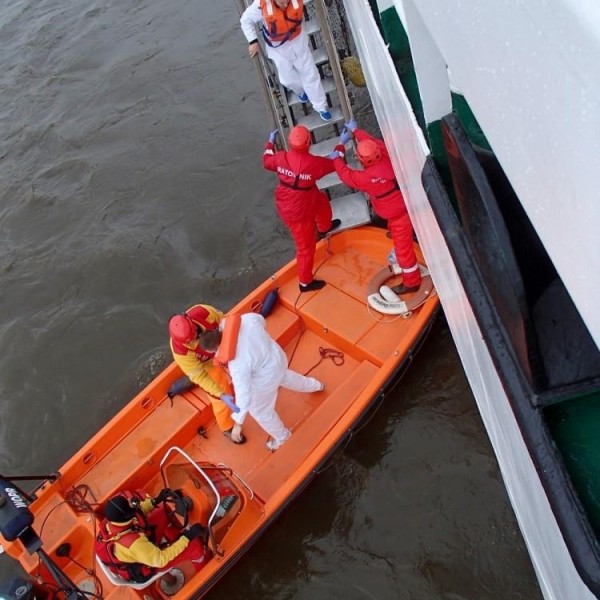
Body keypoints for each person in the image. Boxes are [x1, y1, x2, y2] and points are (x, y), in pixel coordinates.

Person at [197, 313, 323, 451]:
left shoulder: (237, 364)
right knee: (285, 376)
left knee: (261, 411)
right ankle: (316, 385)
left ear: (213, 349)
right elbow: (261, 320)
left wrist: (238, 423)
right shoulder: (247, 319)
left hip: (267, 375)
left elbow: (243, 393)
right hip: (277, 358)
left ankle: (283, 438)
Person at [330, 120, 422, 293]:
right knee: (398, 231)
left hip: (399, 215)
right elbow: (371, 140)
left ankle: (411, 282)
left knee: (403, 253)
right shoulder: (386, 153)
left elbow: (345, 174)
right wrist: (356, 130)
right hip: (406, 202)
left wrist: (338, 153)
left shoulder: (365, 178)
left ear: (362, 159)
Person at [263, 125, 341, 292]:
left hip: (293, 201)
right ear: (309, 143)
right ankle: (305, 283)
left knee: (321, 203)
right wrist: (340, 147)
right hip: (298, 214)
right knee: (306, 249)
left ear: (290, 143)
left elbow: (266, 161)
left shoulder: (280, 158)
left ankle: (324, 228)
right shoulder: (314, 164)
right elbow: (335, 164)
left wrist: (270, 142)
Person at [240, 0, 332, 121]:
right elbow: (245, 20)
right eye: (281, 3)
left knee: (311, 74)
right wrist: (253, 41)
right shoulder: (260, 4)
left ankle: (321, 106)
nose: (284, 5)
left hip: (299, 45)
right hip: (278, 50)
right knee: (286, 78)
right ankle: (299, 90)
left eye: (286, 2)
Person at [95, 490, 211, 582]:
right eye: (129, 505)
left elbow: (138, 512)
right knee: (195, 545)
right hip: (150, 563)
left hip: (143, 547)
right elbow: (160, 560)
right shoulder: (133, 544)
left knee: (163, 509)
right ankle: (206, 572)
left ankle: (177, 538)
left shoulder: (114, 521)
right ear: (127, 516)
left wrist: (156, 501)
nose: (131, 502)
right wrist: (186, 538)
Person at [168, 305, 244, 444]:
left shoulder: (203, 311)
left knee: (247, 364)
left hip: (223, 345)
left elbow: (226, 323)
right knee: (220, 394)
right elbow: (200, 376)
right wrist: (221, 395)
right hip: (207, 364)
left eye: (196, 334)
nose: (196, 339)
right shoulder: (181, 353)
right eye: (191, 340)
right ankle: (227, 427)